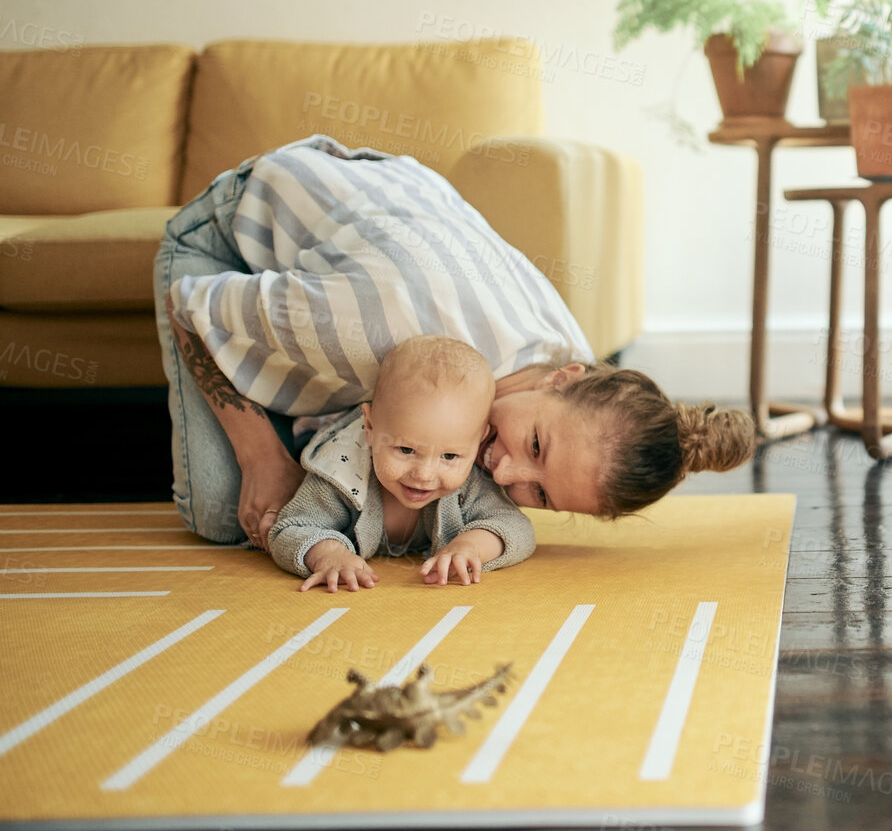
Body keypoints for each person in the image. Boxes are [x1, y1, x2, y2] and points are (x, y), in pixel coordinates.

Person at [155, 134, 754, 549]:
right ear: (565, 377)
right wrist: (262, 459)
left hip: (389, 213)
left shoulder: (566, 358)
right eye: (537, 444)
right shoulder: (368, 321)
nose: (505, 469)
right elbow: (188, 304)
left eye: (540, 495)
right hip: (224, 238)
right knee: (226, 512)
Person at [268, 334, 535, 592]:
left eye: (449, 456)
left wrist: (471, 546)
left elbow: (516, 527)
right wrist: (328, 554)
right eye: (406, 449)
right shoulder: (340, 473)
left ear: (479, 441)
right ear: (370, 426)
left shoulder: (470, 484)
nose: (424, 474)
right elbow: (291, 528)